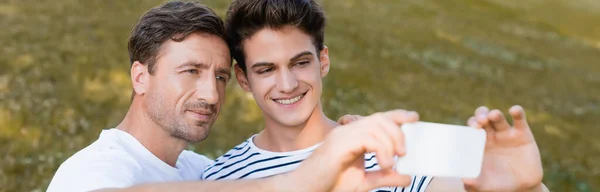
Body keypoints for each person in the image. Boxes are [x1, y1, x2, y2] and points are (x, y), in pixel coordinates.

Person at [46, 1, 419, 191]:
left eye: (220, 76)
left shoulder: (202, 172)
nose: (211, 94)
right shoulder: (97, 168)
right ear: (140, 77)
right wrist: (307, 178)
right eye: (191, 71)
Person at [201, 0, 548, 191]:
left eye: (300, 62)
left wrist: (529, 188)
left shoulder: (391, 153)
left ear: (323, 60)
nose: (288, 83)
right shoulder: (221, 179)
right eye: (266, 70)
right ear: (244, 79)